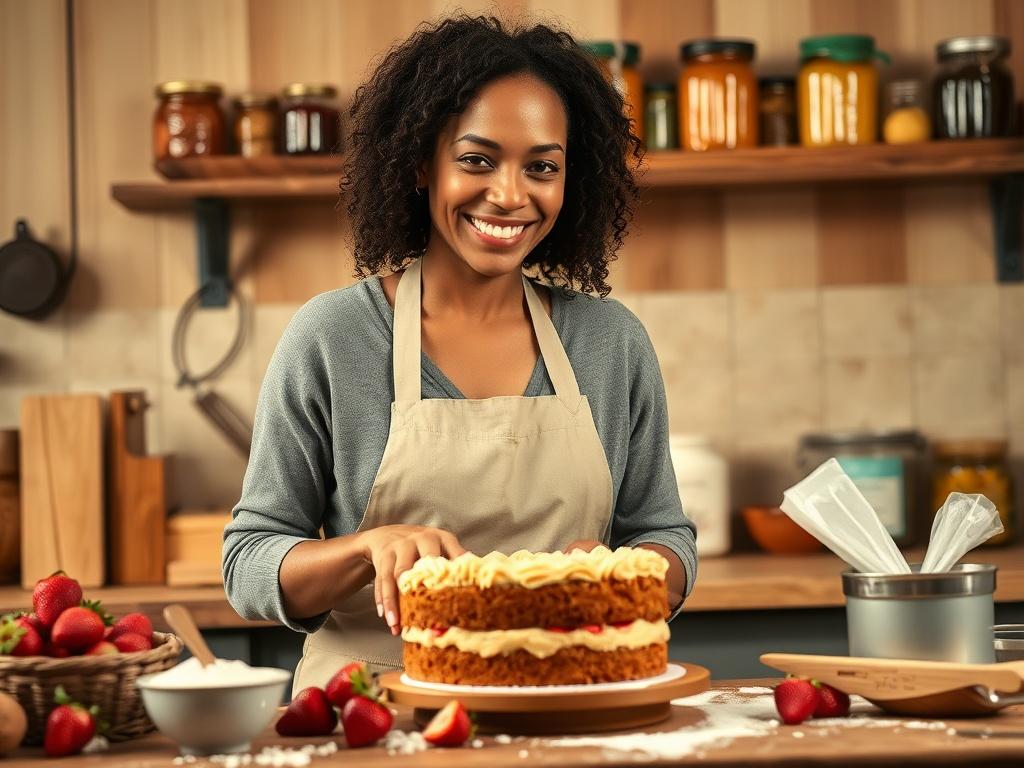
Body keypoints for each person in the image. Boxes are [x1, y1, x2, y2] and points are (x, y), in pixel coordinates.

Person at [223, 14, 697, 693]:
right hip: (370, 712)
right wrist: (366, 549)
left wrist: (629, 572)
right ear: (421, 162)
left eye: (542, 167)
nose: (509, 195)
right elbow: (249, 563)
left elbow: (666, 534)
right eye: (477, 160)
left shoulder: (611, 342)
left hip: (571, 704)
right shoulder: (332, 339)